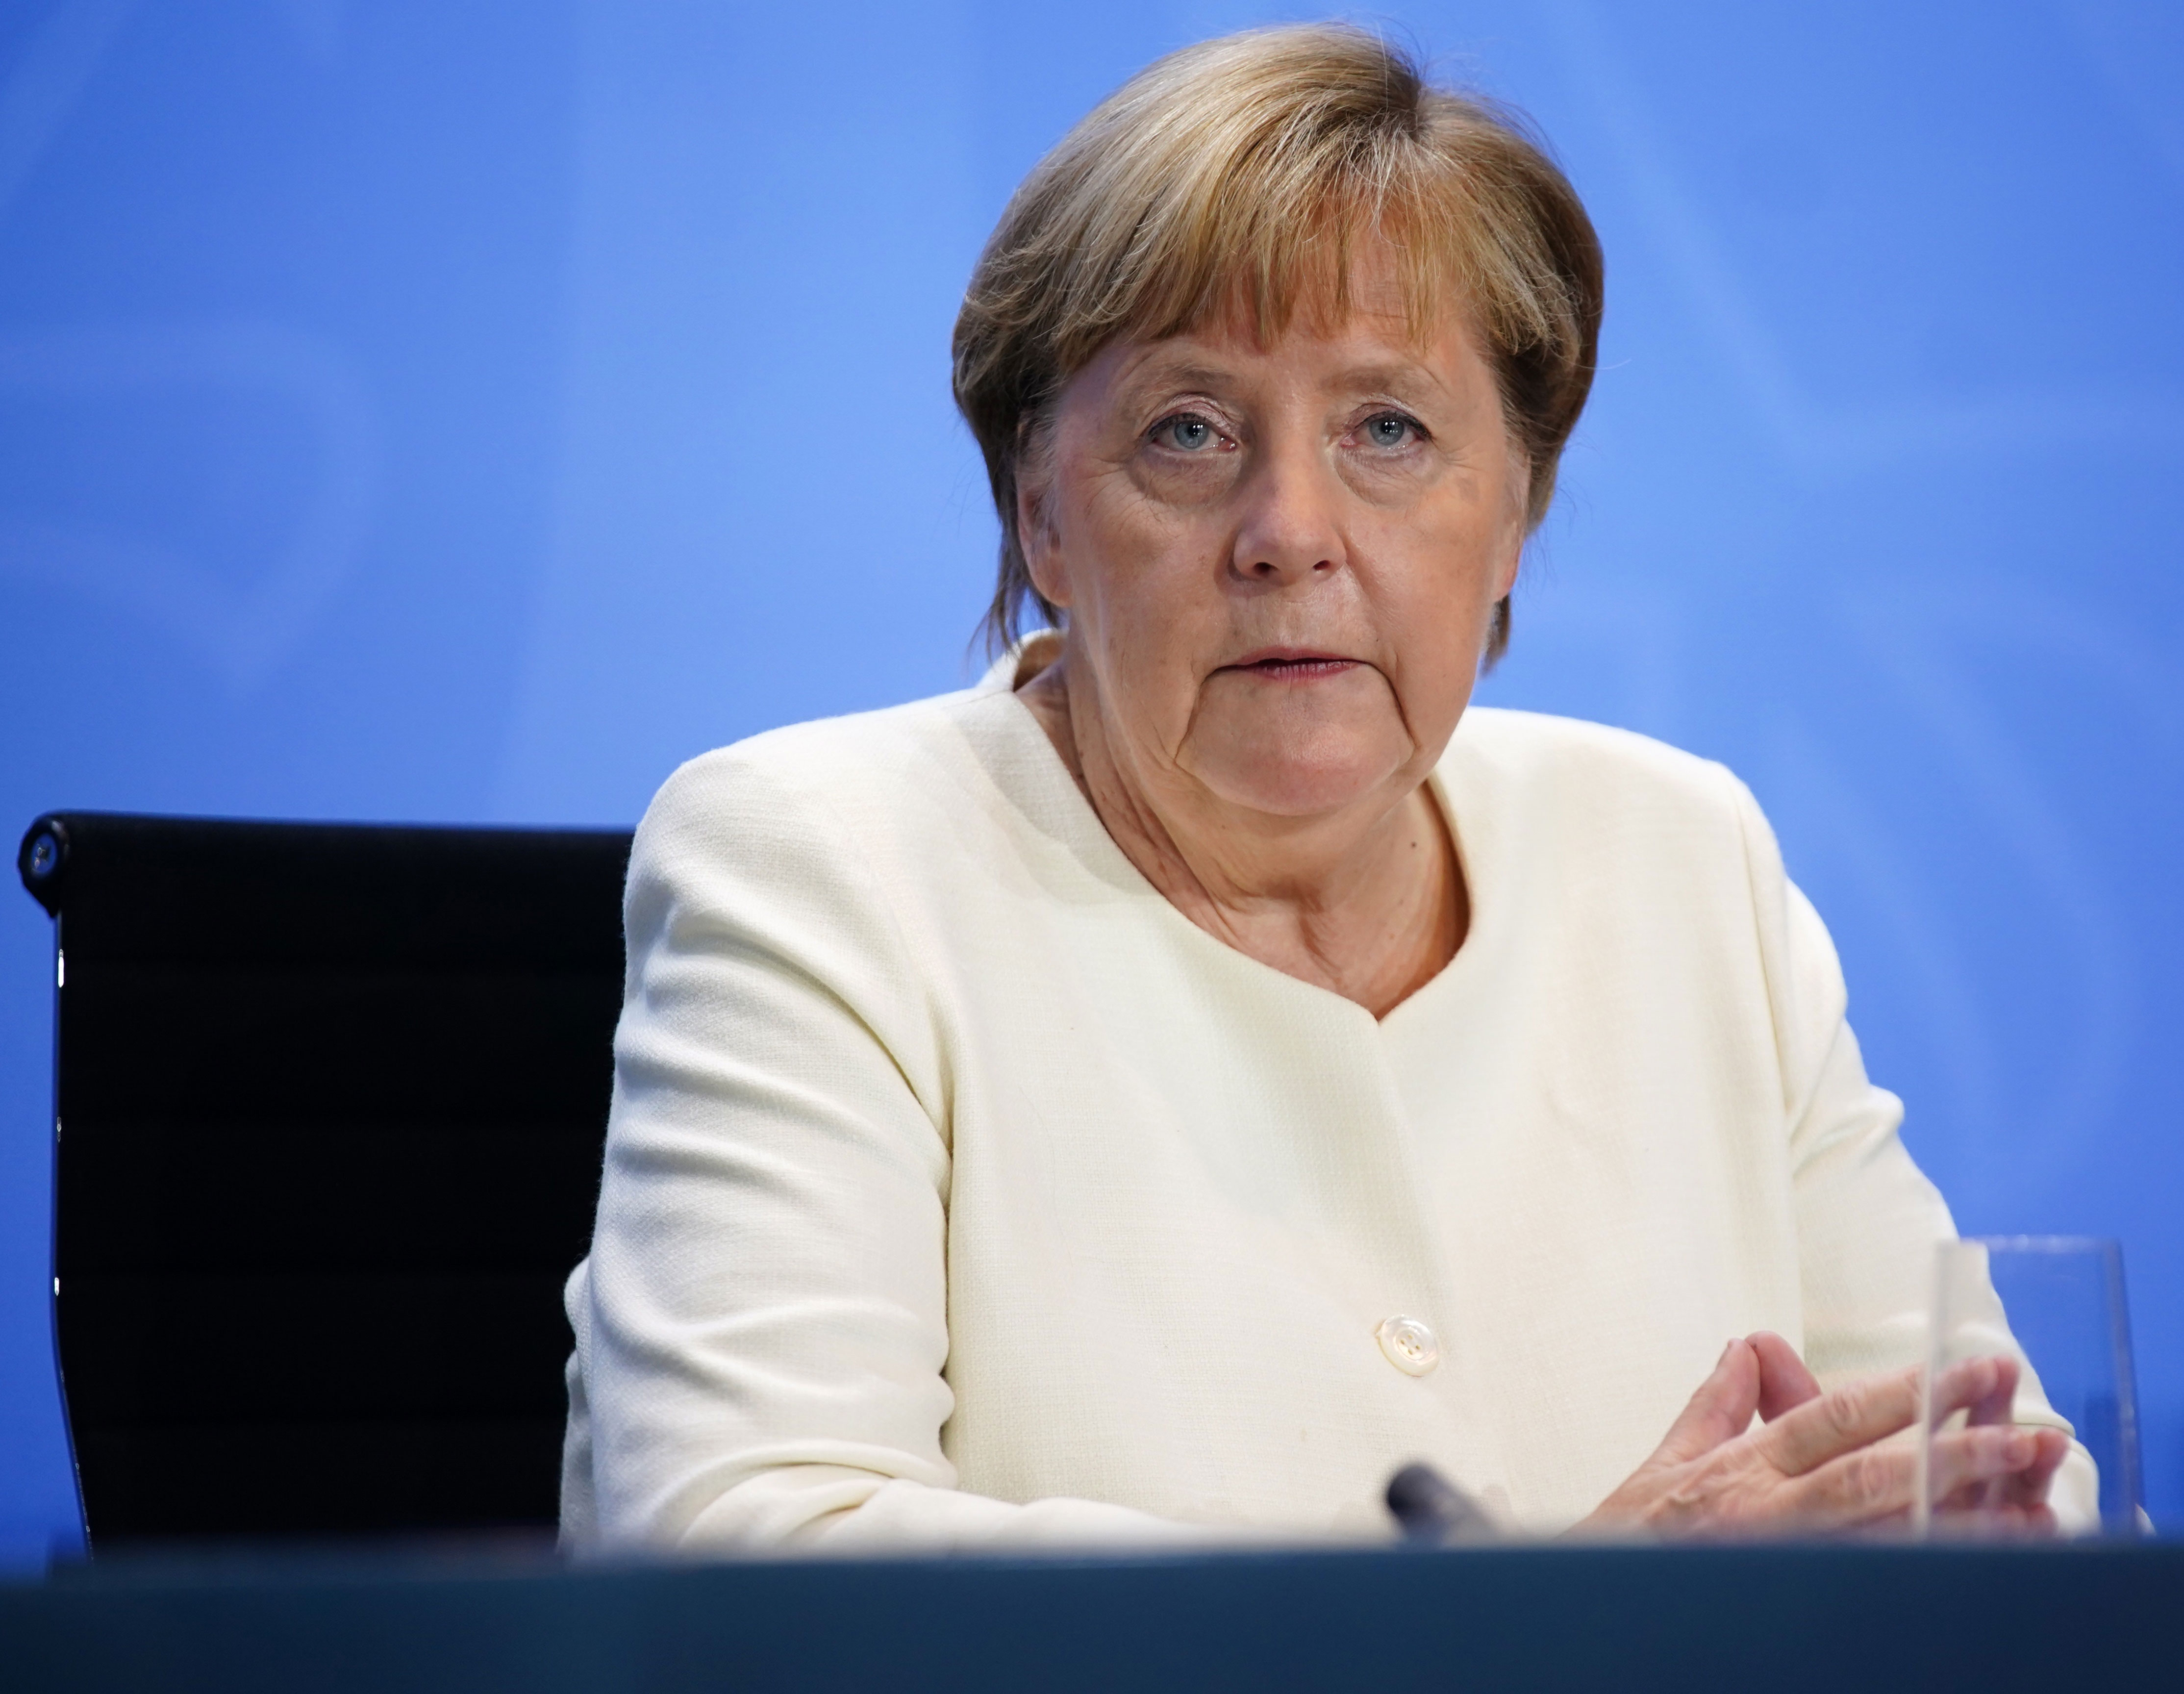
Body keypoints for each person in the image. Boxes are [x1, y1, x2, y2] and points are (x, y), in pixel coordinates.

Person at [559, 22, 2087, 1550]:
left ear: (1515, 515)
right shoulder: (824, 868)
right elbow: (737, 1549)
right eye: (1187, 432)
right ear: (1039, 514)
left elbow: (2012, 1496)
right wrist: (1532, 1633)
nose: (1290, 529)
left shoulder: (1683, 861)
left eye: (1389, 431)